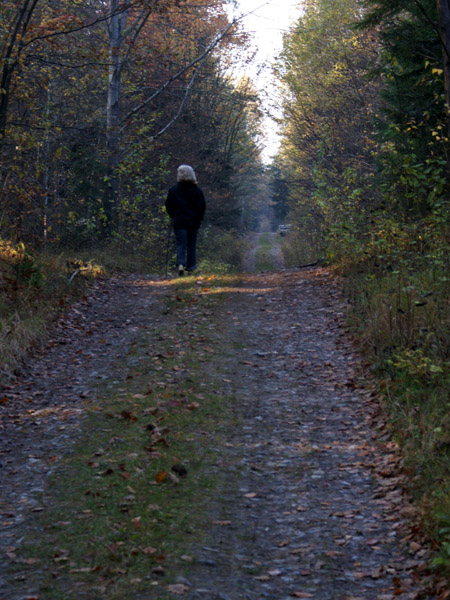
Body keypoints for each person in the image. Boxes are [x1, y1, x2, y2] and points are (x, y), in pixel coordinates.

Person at [165, 165, 206, 276]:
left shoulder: (174, 190)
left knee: (180, 243)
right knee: (191, 244)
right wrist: (199, 218)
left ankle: (180, 264)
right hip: (193, 222)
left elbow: (169, 205)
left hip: (179, 221)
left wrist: (172, 215)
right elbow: (202, 206)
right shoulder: (197, 191)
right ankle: (191, 267)